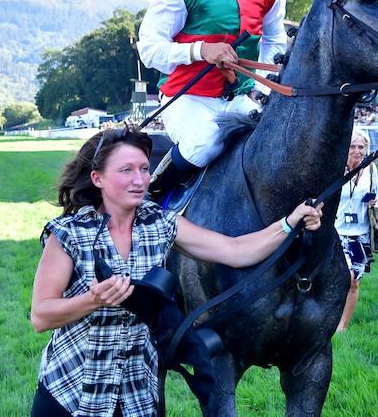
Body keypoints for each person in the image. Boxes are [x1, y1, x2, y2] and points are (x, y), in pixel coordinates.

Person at [30, 128, 321, 416]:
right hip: (71, 393)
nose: (139, 180)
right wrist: (92, 301)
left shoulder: (159, 223)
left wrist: (290, 222)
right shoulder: (69, 234)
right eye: (126, 170)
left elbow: (235, 251)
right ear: (98, 178)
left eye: (144, 169)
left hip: (136, 397)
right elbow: (41, 316)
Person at [138, 0, 287, 198]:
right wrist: (200, 50)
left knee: (278, 143)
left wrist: (264, 86)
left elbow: (275, 42)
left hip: (240, 97)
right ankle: (151, 199)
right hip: (188, 98)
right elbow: (149, 48)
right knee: (206, 143)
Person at [335, 129, 378, 332]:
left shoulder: (371, 169)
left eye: (361, 147)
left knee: (354, 281)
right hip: (336, 233)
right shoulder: (336, 169)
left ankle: (342, 326)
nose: (357, 151)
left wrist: (374, 200)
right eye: (352, 147)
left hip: (360, 235)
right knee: (336, 278)